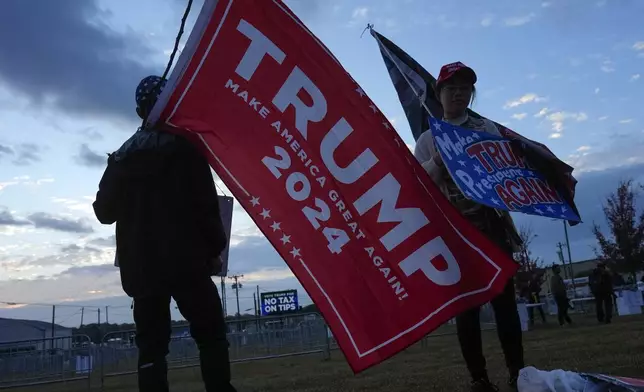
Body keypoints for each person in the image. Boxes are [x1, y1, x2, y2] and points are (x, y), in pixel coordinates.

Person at [93, 75, 237, 392]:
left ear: (138, 112)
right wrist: (215, 250)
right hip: (189, 264)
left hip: (142, 271)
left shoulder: (121, 159)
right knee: (211, 334)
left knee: (151, 347)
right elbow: (206, 208)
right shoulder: (187, 151)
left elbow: (104, 212)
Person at [414, 61, 525, 392]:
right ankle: (479, 378)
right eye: (451, 88)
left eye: (465, 89)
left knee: (505, 303)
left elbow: (509, 171)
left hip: (492, 226)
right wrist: (438, 160)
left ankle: (518, 373)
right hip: (457, 233)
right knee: (468, 308)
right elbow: (420, 186)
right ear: (439, 94)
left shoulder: (486, 129)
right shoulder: (428, 139)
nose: (459, 94)